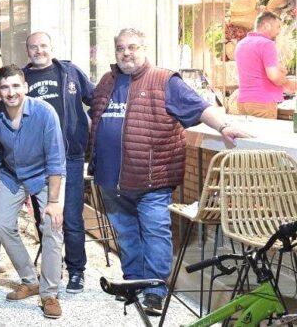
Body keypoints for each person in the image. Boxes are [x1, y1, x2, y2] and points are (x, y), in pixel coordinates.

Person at [88, 28, 249, 316]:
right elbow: (95, 117)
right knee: (126, 234)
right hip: (111, 180)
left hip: (152, 179)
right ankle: (133, 282)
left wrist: (224, 126)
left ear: (144, 48)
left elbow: (199, 107)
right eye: (121, 48)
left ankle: (155, 291)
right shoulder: (107, 81)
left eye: (132, 47)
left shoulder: (164, 81)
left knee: (155, 233)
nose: (126, 53)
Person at [0, 64, 66, 319]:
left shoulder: (45, 112)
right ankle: (30, 280)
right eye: (4, 87)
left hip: (44, 176)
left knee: (51, 227)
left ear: (25, 87)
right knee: (3, 226)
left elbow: (56, 161)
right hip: (11, 175)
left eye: (16, 85)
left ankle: (49, 294)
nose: (11, 92)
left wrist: (54, 202)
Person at [23, 31, 94, 293]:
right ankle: (53, 268)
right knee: (45, 218)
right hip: (37, 160)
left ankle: (77, 271)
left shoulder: (69, 72)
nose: (38, 50)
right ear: (27, 51)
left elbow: (97, 99)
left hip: (69, 157)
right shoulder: (22, 78)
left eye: (43, 45)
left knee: (72, 217)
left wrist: (89, 127)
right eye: (33, 47)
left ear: (51, 47)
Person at [234, 12, 297, 118]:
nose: (279, 31)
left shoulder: (241, 44)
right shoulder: (267, 44)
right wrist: (288, 83)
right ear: (267, 26)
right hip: (262, 102)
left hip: (243, 102)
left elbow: (254, 69)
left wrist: (279, 70)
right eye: (278, 27)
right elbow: (274, 76)